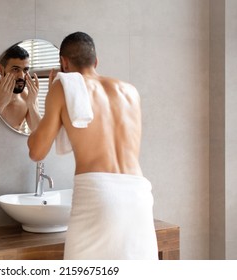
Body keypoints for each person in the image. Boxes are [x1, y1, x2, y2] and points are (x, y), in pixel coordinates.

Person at [27, 32, 158, 259]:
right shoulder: (130, 91)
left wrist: (42, 100)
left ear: (64, 63)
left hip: (99, 194)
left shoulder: (63, 86)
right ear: (96, 61)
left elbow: (37, 151)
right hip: (139, 195)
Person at [0, 45, 41, 132]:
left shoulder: (27, 97)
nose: (21, 76)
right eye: (15, 69)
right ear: (0, 70)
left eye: (25, 70)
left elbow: (40, 134)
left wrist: (32, 104)